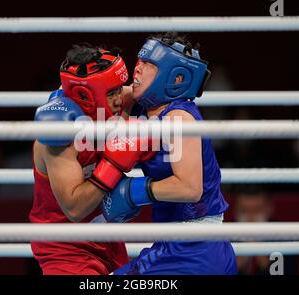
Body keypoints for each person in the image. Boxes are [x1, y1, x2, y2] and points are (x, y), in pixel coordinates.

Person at [103, 32, 238, 275]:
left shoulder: (179, 117)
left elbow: (189, 188)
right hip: (184, 246)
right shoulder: (144, 104)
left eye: (148, 64)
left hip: (193, 248)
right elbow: (97, 92)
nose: (138, 69)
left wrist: (134, 192)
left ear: (176, 77)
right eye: (139, 61)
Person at [30, 44, 154, 275]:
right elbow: (74, 209)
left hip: (107, 239)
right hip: (65, 249)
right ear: (85, 96)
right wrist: (114, 164)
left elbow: (150, 91)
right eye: (111, 93)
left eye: (119, 89)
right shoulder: (58, 138)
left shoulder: (115, 103)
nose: (120, 98)